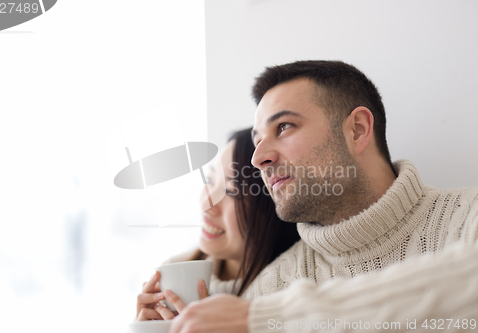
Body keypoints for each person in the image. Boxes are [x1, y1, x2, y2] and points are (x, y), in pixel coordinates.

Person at [168, 61, 478, 333]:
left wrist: (276, 319)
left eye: (284, 126)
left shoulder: (470, 216)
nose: (258, 157)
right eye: (258, 139)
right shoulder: (271, 288)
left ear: (357, 130)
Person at [135, 127, 300, 321]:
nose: (206, 205)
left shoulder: (296, 297)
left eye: (231, 192)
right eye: (210, 180)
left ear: (275, 207)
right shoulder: (174, 273)